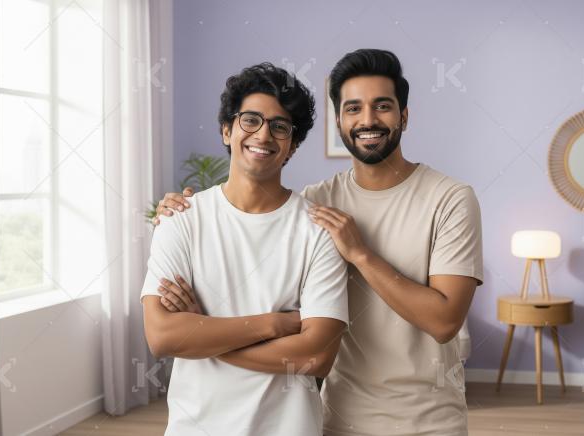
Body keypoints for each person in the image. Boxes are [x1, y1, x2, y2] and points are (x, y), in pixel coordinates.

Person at [156, 49, 483, 436]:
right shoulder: (318, 204)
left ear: (404, 117)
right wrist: (175, 210)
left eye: (382, 106)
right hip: (339, 417)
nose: (367, 120)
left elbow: (444, 321)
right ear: (339, 121)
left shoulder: (450, 199)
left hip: (429, 421)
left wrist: (360, 254)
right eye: (353, 108)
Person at [141, 63, 349, 436]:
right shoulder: (179, 219)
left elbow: (317, 356)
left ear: (292, 146)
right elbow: (162, 336)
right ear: (227, 129)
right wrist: (277, 324)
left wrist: (204, 332)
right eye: (250, 120)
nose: (263, 134)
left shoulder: (318, 231)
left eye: (280, 126)